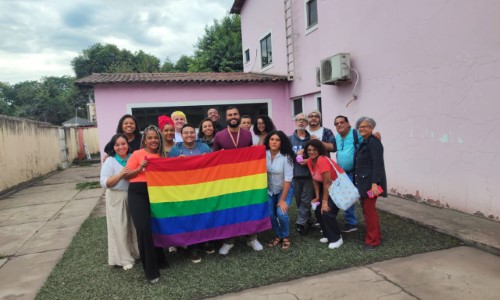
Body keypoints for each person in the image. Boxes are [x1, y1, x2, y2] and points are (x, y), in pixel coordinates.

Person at [212, 106, 264, 255]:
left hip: (245, 179)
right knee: (229, 210)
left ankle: (252, 238)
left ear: (239, 116)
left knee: (248, 207)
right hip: (227, 180)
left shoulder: (247, 134)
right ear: (226, 118)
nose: (233, 117)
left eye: (235, 114)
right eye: (230, 115)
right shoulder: (219, 136)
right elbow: (213, 159)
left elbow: (250, 155)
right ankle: (228, 241)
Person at [125, 125, 168, 283]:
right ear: (145, 140)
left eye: (156, 137)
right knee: (143, 228)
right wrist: (140, 168)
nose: (153, 140)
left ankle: (160, 259)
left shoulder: (163, 156)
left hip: (156, 192)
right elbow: (126, 175)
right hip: (138, 192)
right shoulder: (137, 154)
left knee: (156, 226)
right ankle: (151, 271)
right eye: (150, 138)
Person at [168, 124, 212, 262]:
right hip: (185, 190)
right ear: (181, 135)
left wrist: (208, 159)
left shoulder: (204, 147)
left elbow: (214, 166)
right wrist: (176, 162)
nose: (189, 135)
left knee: (204, 216)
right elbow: (168, 171)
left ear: (196, 134)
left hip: (203, 189)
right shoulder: (176, 149)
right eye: (186, 133)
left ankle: (205, 242)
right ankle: (193, 248)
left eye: (192, 132)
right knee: (190, 218)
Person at [100, 133, 139, 270]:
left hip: (133, 196)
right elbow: (105, 183)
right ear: (113, 147)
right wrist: (120, 174)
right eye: (117, 145)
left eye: (123, 143)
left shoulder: (133, 157)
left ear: (128, 145)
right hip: (116, 197)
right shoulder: (110, 161)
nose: (121, 147)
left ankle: (136, 253)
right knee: (120, 228)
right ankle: (124, 259)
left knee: (134, 227)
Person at [354, 117, 387, 251]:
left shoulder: (374, 143)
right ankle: (376, 235)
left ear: (372, 128)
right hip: (363, 182)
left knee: (370, 212)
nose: (362, 128)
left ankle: (373, 241)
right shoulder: (365, 142)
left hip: (370, 184)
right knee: (368, 211)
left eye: (366, 126)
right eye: (360, 126)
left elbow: (377, 164)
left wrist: (375, 184)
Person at [304, 139, 343, 249]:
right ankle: (327, 234)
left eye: (314, 150)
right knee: (317, 209)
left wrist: (324, 201)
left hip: (337, 188)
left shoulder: (322, 160)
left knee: (326, 211)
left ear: (320, 150)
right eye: (309, 150)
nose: (311, 152)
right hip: (328, 188)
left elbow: (327, 182)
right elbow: (315, 179)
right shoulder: (309, 161)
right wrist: (317, 196)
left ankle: (336, 238)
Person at [265, 131, 295, 250]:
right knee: (271, 215)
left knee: (281, 213)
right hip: (269, 190)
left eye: (277, 140)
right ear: (268, 141)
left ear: (281, 143)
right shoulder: (263, 154)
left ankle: (285, 236)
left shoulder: (286, 157)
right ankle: (278, 235)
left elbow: (288, 179)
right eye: (272, 139)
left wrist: (282, 200)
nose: (274, 142)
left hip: (284, 189)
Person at [288, 113, 314, 235]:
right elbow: (286, 157)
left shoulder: (312, 139)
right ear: (295, 122)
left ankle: (300, 223)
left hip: (310, 175)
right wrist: (296, 154)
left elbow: (319, 155)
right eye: (299, 120)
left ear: (307, 123)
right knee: (299, 201)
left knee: (306, 200)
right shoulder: (289, 139)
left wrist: (309, 160)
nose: (301, 122)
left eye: (304, 120)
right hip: (295, 175)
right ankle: (308, 220)